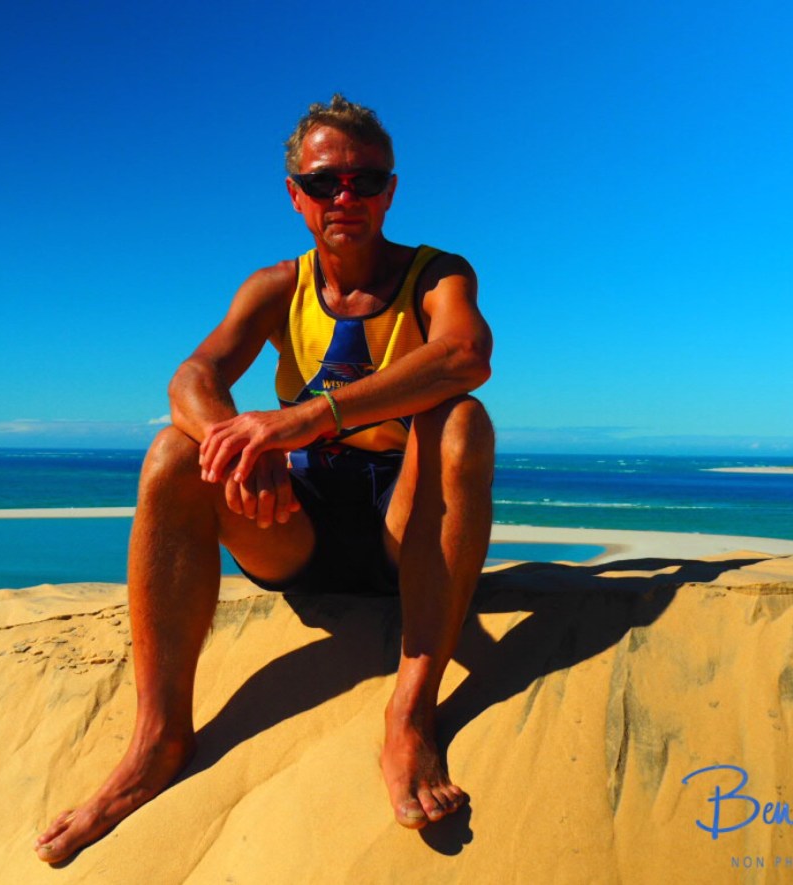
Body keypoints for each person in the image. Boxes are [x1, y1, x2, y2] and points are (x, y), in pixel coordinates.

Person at [35, 95, 494, 863]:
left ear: (389, 191)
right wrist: (239, 443)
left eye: (364, 179)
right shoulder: (278, 286)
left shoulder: (434, 274)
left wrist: (304, 419)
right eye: (322, 183)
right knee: (172, 453)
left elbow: (464, 354)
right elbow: (193, 377)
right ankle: (157, 738)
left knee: (461, 420)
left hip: (404, 530)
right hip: (295, 530)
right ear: (295, 195)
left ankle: (411, 714)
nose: (344, 196)